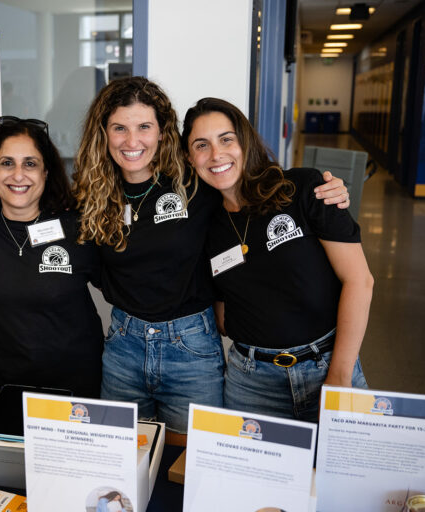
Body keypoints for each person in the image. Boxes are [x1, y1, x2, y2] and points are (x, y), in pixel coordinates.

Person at [72, 77, 350, 440]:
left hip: (191, 346)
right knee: (121, 452)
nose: (132, 140)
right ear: (103, 133)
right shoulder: (92, 193)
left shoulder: (195, 182)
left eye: (144, 127)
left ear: (162, 132)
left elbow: (250, 190)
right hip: (124, 344)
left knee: (193, 463)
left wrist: (327, 190)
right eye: (119, 128)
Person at [182, 97, 372, 421]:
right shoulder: (204, 224)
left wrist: (339, 375)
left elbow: (360, 281)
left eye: (226, 139)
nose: (216, 155)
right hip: (251, 384)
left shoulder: (302, 189)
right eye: (202, 145)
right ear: (189, 157)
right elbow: (222, 315)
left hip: (328, 365)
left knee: (345, 470)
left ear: (245, 141)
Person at [0, 116, 104, 397]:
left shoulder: (79, 226)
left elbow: (123, 281)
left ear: (46, 172)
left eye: (30, 163)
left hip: (74, 384)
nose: (18, 175)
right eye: (7, 163)